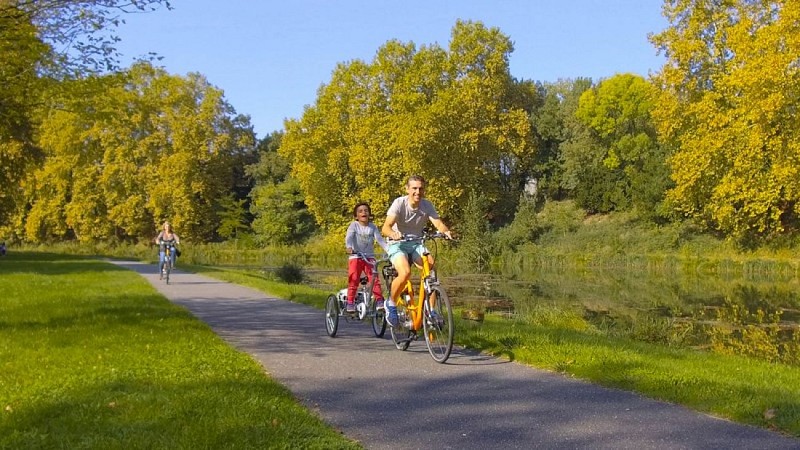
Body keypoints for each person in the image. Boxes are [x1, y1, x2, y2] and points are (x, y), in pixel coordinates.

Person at [381, 175, 453, 327]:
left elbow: (438, 223)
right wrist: (393, 234)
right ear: (407, 189)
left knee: (431, 272)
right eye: (414, 188)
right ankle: (391, 304)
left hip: (416, 244)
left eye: (420, 188)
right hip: (398, 244)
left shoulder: (427, 205)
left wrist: (446, 232)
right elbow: (385, 227)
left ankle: (431, 311)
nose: (417, 192)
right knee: (405, 272)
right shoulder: (399, 203)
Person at [344, 202, 388, 314]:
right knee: (353, 279)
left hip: (369, 257)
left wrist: (389, 250)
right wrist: (349, 247)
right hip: (356, 256)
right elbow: (349, 237)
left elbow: (380, 240)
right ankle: (350, 302)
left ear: (369, 214)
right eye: (360, 211)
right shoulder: (354, 225)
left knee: (374, 279)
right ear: (356, 216)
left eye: (366, 211)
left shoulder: (372, 227)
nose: (364, 212)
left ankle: (379, 301)